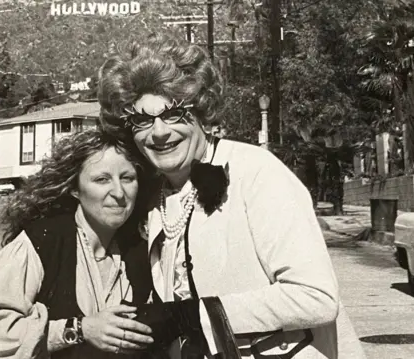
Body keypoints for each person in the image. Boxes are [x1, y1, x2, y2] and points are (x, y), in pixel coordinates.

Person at [97, 33, 366, 358]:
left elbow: (316, 296)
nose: (159, 132)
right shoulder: (153, 195)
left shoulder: (255, 172)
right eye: (142, 120)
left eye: (173, 114)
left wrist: (191, 317)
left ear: (200, 112)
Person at [0, 130, 156, 359]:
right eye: (102, 179)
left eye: (127, 178)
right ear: (74, 189)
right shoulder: (41, 243)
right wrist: (79, 330)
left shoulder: (141, 252)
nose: (119, 193)